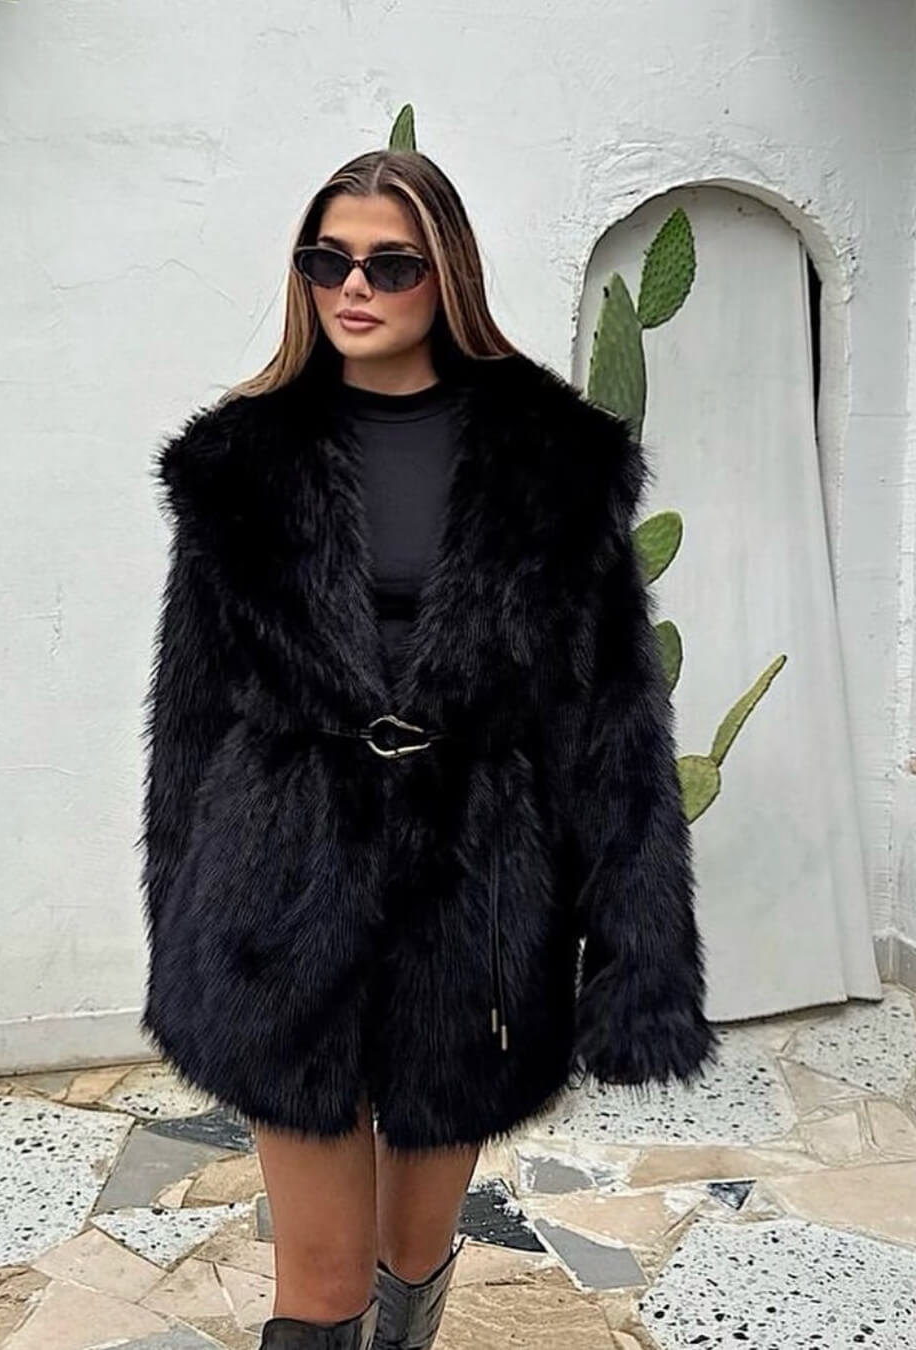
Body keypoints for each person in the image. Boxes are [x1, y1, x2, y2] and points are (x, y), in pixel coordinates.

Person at [138, 148, 718, 1350]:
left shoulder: (555, 462)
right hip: (279, 883)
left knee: (409, 1255)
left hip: (479, 892)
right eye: (327, 260)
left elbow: (615, 720)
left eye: (389, 264)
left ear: (447, 272)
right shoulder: (239, 465)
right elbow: (189, 713)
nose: (353, 286)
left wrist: (639, 957)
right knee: (322, 1280)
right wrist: (182, 915)